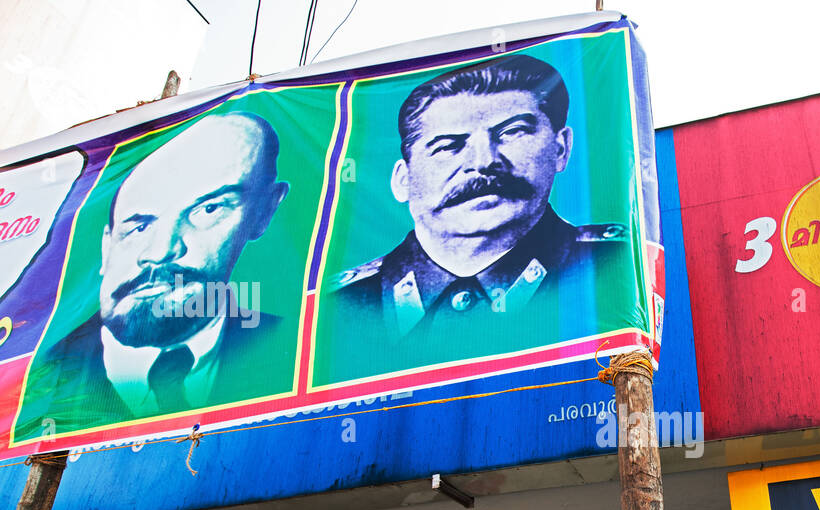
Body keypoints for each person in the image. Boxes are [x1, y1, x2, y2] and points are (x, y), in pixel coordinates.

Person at [322, 54, 630, 383]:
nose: (483, 162)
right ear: (402, 180)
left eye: (512, 132)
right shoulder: (337, 306)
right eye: (447, 146)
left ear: (560, 148)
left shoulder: (616, 265)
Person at [16, 111, 293, 439]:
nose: (160, 252)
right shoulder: (33, 382)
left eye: (207, 210)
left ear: (264, 211)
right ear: (107, 247)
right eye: (139, 226)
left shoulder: (294, 350)